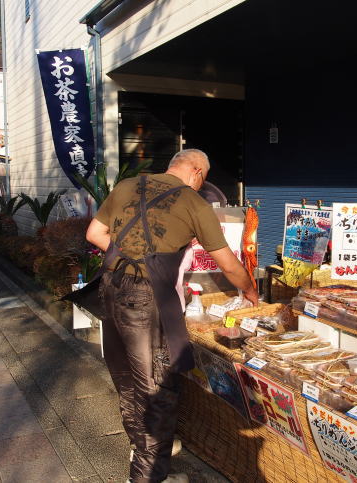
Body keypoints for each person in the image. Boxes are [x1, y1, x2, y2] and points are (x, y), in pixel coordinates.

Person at [84, 149, 258, 483]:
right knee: (157, 389)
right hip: (145, 299)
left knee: (128, 379)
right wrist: (250, 291)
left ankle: (142, 449)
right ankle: (145, 475)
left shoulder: (127, 186)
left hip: (109, 287)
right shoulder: (193, 202)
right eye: (203, 179)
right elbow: (227, 262)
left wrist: (130, 259)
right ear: (196, 172)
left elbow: (95, 234)